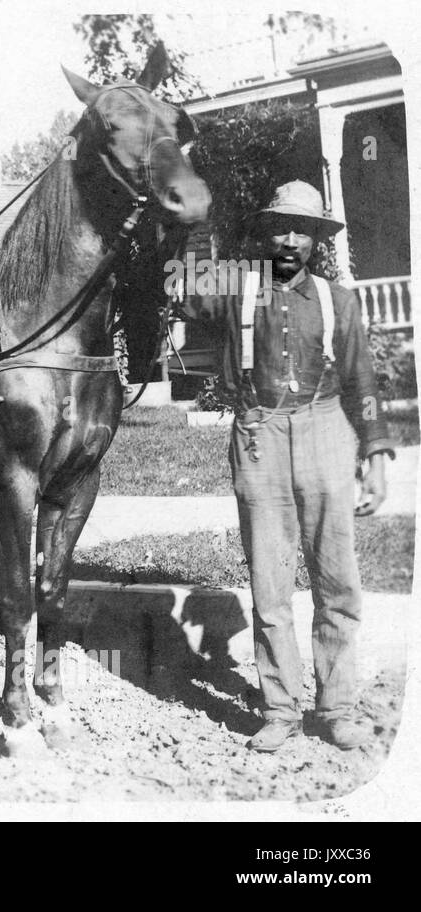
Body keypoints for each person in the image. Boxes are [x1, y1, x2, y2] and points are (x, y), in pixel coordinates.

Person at [179, 180, 394, 752]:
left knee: (337, 577)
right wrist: (189, 204)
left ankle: (337, 707)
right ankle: (279, 709)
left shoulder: (337, 298)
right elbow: (181, 282)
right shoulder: (235, 289)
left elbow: (362, 381)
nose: (291, 239)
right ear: (266, 233)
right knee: (270, 581)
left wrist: (374, 454)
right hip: (259, 433)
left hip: (326, 425)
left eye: (303, 229)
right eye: (281, 227)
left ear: (318, 238)